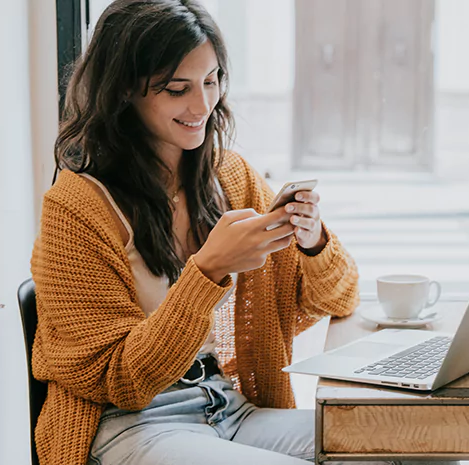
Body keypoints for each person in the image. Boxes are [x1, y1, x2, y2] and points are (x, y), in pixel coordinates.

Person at [31, 1, 360, 464]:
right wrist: (209, 270)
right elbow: (124, 380)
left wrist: (313, 242)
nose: (202, 105)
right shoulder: (76, 208)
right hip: (132, 423)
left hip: (228, 407)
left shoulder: (228, 177)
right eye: (176, 88)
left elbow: (338, 299)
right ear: (125, 89)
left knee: (400, 441)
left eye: (211, 81)